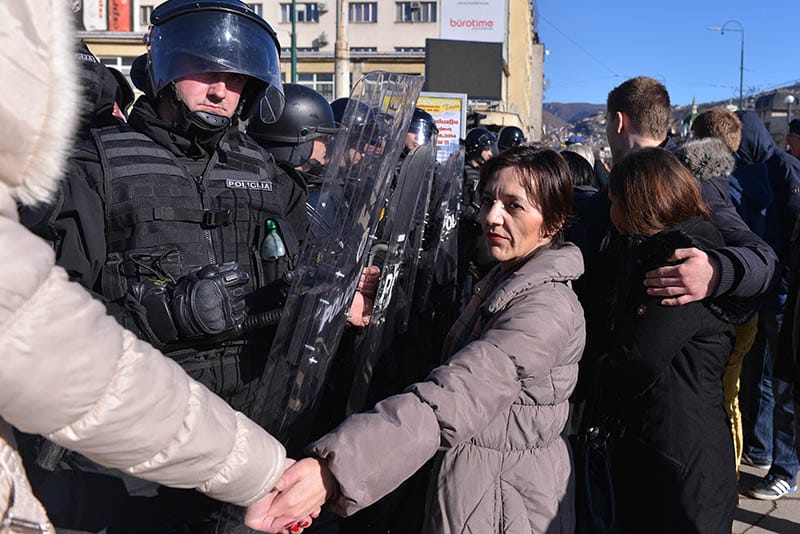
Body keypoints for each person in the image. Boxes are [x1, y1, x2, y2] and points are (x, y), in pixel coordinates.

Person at [21, 1, 371, 531]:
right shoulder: (94, 166)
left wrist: (336, 292)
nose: (219, 91)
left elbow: (303, 275)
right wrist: (160, 316)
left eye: (235, 78)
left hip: (245, 445)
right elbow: (41, 325)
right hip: (127, 458)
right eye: (203, 70)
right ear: (164, 69)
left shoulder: (265, 173)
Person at [246, 146, 586, 533]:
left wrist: (334, 471)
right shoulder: (509, 277)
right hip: (480, 483)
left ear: (554, 221)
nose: (492, 216)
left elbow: (455, 395)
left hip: (503, 501)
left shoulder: (544, 309)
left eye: (514, 206)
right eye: (489, 200)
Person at [602, 148, 736, 533]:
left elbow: (638, 362)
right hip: (680, 450)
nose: (610, 214)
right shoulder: (682, 244)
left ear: (639, 204)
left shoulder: (679, 261)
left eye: (614, 202)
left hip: (681, 462)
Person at [690, 108, 761, 478]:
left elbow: (758, 251)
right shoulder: (741, 176)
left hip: (731, 307)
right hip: (741, 308)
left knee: (724, 400)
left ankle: (727, 478)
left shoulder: (715, 184)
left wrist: (718, 272)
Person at [734, 110, 800, 500]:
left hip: (783, 295)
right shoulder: (756, 169)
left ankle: (786, 466)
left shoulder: (785, 170)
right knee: (759, 375)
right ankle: (761, 449)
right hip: (764, 291)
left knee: (783, 383)